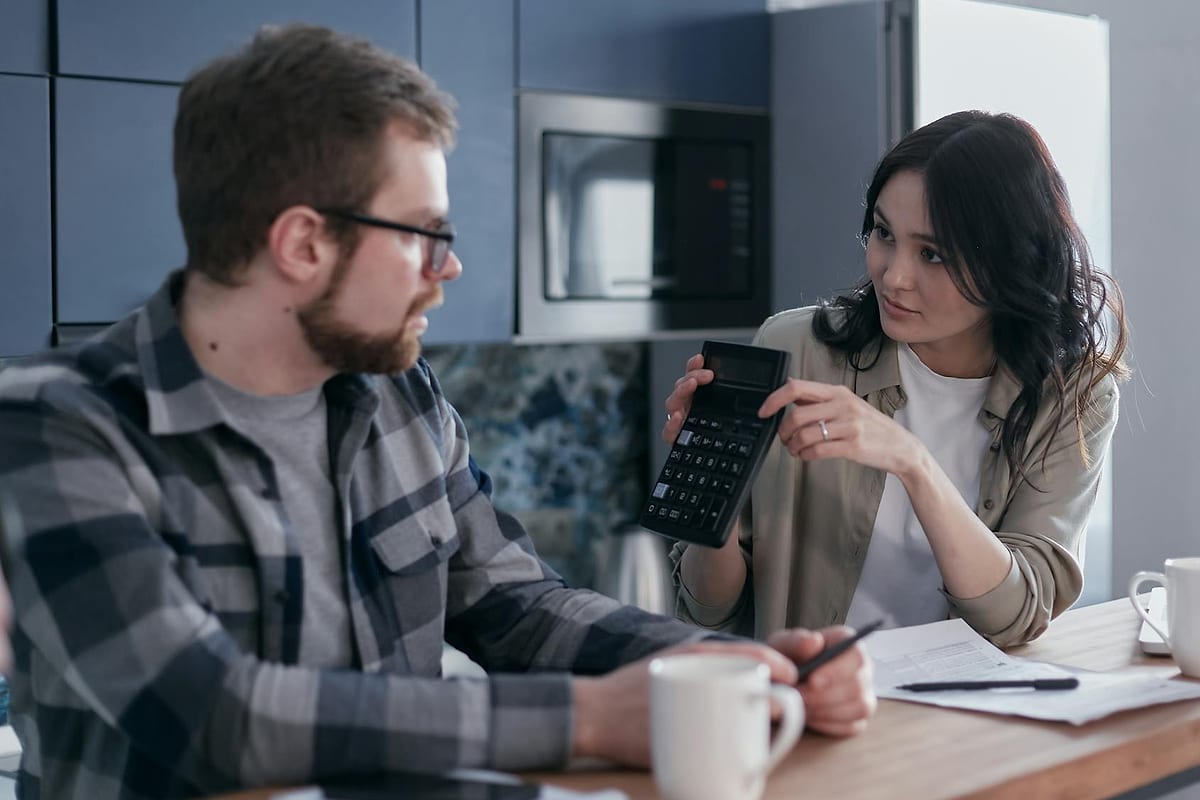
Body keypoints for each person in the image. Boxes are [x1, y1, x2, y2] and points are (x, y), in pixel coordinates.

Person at [0, 24, 874, 800]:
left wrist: (709, 666)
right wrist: (588, 719)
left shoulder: (395, 391)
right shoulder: (63, 428)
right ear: (304, 242)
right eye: (423, 232)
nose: (446, 269)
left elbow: (514, 606)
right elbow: (214, 717)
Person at [666, 110, 1128, 649]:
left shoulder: (1075, 396)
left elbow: (1016, 616)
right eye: (884, 233)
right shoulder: (795, 351)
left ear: (1012, 265)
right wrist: (710, 485)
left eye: (933, 254)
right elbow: (707, 610)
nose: (893, 275)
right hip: (814, 706)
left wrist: (913, 462)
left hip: (966, 721)